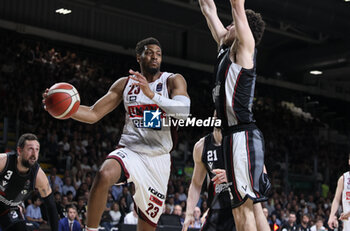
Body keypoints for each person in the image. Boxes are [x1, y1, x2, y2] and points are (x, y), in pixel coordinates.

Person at [43, 37, 190, 231]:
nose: (155, 57)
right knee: (104, 174)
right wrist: (65, 109)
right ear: (139, 57)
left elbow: (184, 112)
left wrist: (151, 94)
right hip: (131, 151)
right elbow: (94, 113)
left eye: (159, 54)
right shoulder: (125, 84)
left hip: (158, 160)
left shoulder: (172, 80)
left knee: (146, 227)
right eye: (149, 53)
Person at [199, 0, 269, 231]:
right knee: (239, 209)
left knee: (245, 208)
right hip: (231, 137)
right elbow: (207, 7)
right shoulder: (224, 46)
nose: (228, 26)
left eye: (232, 24)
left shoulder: (244, 48)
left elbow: (237, 6)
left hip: (243, 134)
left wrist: (237, 14)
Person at [0, 133, 59, 231]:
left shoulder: (39, 176)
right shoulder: (3, 161)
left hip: (10, 208)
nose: (34, 153)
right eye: (30, 149)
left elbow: (51, 206)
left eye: (37, 149)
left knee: (21, 228)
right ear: (19, 151)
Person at [182, 125, 235, 231]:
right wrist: (189, 213)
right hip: (216, 209)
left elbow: (258, 175)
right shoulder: (202, 146)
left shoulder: (240, 141)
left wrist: (232, 175)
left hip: (239, 208)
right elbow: (196, 184)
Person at [328, 154, 350, 231]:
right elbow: (337, 199)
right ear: (349, 161)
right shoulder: (343, 178)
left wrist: (348, 214)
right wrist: (331, 215)